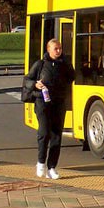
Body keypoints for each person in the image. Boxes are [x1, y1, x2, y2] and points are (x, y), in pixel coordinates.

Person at [26, 38, 75, 180]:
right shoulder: (40, 64)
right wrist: (35, 85)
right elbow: (27, 79)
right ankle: (40, 162)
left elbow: (72, 77)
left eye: (60, 48)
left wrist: (66, 63)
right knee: (44, 132)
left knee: (56, 135)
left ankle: (52, 167)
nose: (59, 51)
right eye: (56, 49)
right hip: (42, 102)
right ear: (48, 49)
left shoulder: (64, 64)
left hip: (59, 102)